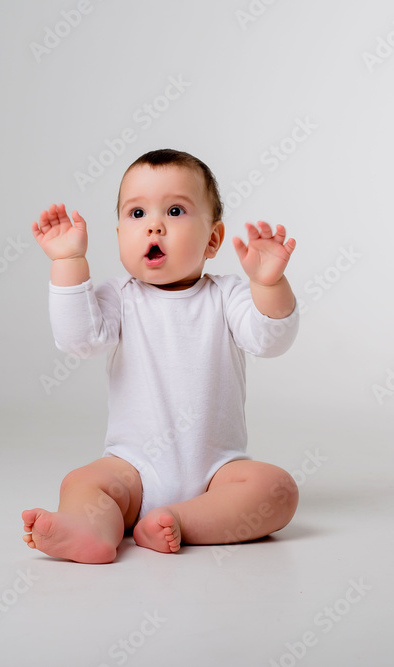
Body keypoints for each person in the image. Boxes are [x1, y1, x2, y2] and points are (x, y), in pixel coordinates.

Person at [23, 148, 300, 564]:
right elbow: (78, 339)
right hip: (131, 470)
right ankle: (91, 530)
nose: (154, 225)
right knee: (82, 483)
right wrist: (68, 261)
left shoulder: (227, 296)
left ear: (212, 239)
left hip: (217, 476)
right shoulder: (119, 297)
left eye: (174, 210)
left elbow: (270, 340)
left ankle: (177, 520)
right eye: (137, 215)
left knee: (277, 490)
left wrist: (269, 284)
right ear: (118, 236)